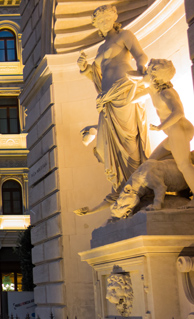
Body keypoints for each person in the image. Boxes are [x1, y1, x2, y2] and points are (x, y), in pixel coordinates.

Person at [75, 5, 149, 216]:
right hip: (106, 99)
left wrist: (142, 71)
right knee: (105, 148)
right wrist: (84, 69)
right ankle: (124, 186)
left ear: (114, 19)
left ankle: (138, 187)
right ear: (97, 25)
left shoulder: (125, 35)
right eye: (100, 21)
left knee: (129, 141)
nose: (104, 23)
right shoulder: (100, 49)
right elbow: (96, 76)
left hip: (124, 90)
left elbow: (140, 55)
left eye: (107, 19)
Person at [131, 59, 194, 208]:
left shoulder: (167, 93)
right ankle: (155, 194)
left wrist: (160, 127)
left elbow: (178, 112)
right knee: (150, 163)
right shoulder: (152, 90)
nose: (148, 71)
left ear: (159, 75)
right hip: (170, 134)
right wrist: (136, 82)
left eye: (152, 70)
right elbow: (132, 99)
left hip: (178, 131)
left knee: (184, 165)